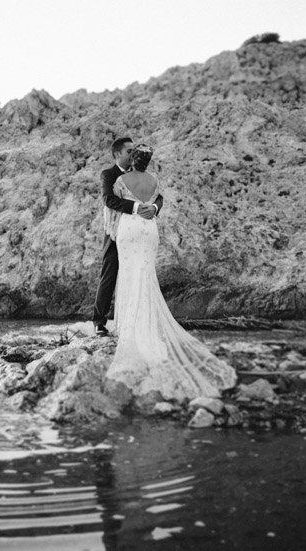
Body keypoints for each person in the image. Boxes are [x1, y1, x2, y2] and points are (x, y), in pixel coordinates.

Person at [105, 143, 237, 401]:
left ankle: (130, 330)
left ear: (134, 158)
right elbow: (158, 199)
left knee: (131, 276)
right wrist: (152, 209)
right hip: (149, 227)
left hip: (130, 229)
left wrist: (116, 226)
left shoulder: (120, 180)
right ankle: (147, 330)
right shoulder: (155, 181)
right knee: (146, 275)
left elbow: (111, 207)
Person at [92, 137, 162, 337]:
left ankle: (136, 320)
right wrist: (137, 208)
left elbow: (159, 196)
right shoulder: (109, 174)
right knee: (110, 273)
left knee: (138, 272)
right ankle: (99, 321)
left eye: (134, 151)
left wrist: (155, 208)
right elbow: (108, 199)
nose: (133, 154)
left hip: (139, 231)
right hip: (116, 230)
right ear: (117, 154)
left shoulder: (140, 174)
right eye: (129, 151)